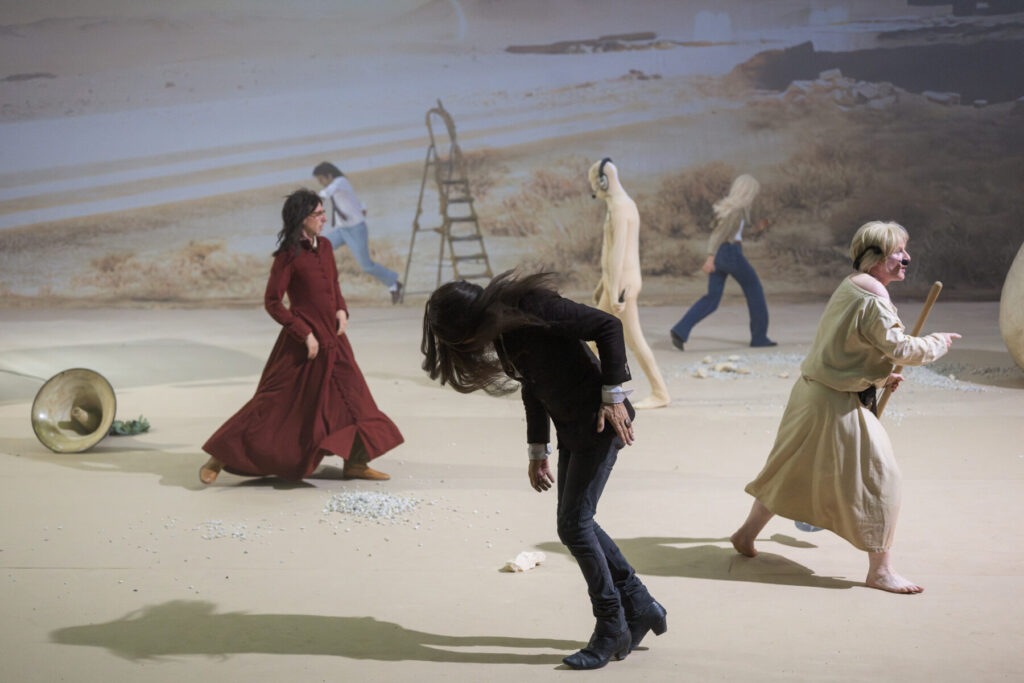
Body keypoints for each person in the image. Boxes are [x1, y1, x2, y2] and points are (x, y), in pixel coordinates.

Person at [421, 271, 667, 670]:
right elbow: (531, 384)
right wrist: (538, 449)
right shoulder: (502, 331)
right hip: (572, 428)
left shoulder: (533, 307)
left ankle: (612, 626)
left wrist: (613, 396)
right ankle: (639, 606)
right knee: (576, 524)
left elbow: (608, 326)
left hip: (600, 424)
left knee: (574, 525)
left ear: (468, 324)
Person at [730, 220, 961, 594]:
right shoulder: (872, 298)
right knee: (881, 479)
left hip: (815, 393)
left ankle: (745, 534)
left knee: (789, 472)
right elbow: (900, 348)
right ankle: (880, 571)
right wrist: (937, 343)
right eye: (898, 252)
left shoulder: (853, 285)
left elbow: (847, 347)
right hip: (833, 404)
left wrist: (877, 379)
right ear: (876, 258)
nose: (906, 258)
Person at [199, 189, 403, 484]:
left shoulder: (327, 246)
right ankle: (219, 456)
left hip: (335, 341)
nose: (324, 218)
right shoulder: (287, 256)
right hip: (303, 345)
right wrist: (304, 333)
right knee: (271, 405)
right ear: (301, 219)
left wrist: (341, 309)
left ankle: (356, 463)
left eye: (323, 212)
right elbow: (272, 302)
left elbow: (334, 285)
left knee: (356, 400)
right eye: (318, 214)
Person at [588, 158, 671, 409]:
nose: (593, 188)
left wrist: (613, 292)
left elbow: (618, 254)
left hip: (622, 285)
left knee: (632, 340)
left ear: (602, 182)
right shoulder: (622, 205)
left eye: (593, 183)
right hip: (617, 283)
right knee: (593, 336)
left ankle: (660, 392)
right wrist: (603, 286)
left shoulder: (620, 208)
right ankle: (575, 383)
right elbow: (611, 256)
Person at [669, 173, 775, 350]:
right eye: (753, 192)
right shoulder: (737, 211)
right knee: (755, 290)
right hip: (730, 253)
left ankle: (680, 331)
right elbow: (718, 235)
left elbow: (734, 234)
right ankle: (759, 337)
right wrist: (710, 257)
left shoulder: (734, 210)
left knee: (712, 298)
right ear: (748, 192)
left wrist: (758, 228)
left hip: (723, 253)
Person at [312, 162, 403, 304]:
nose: (320, 183)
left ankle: (394, 283)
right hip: (342, 230)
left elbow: (325, 193)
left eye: (321, 179)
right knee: (316, 246)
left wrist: (307, 199)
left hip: (355, 230)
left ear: (329, 175)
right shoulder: (335, 187)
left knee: (366, 266)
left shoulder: (340, 182)